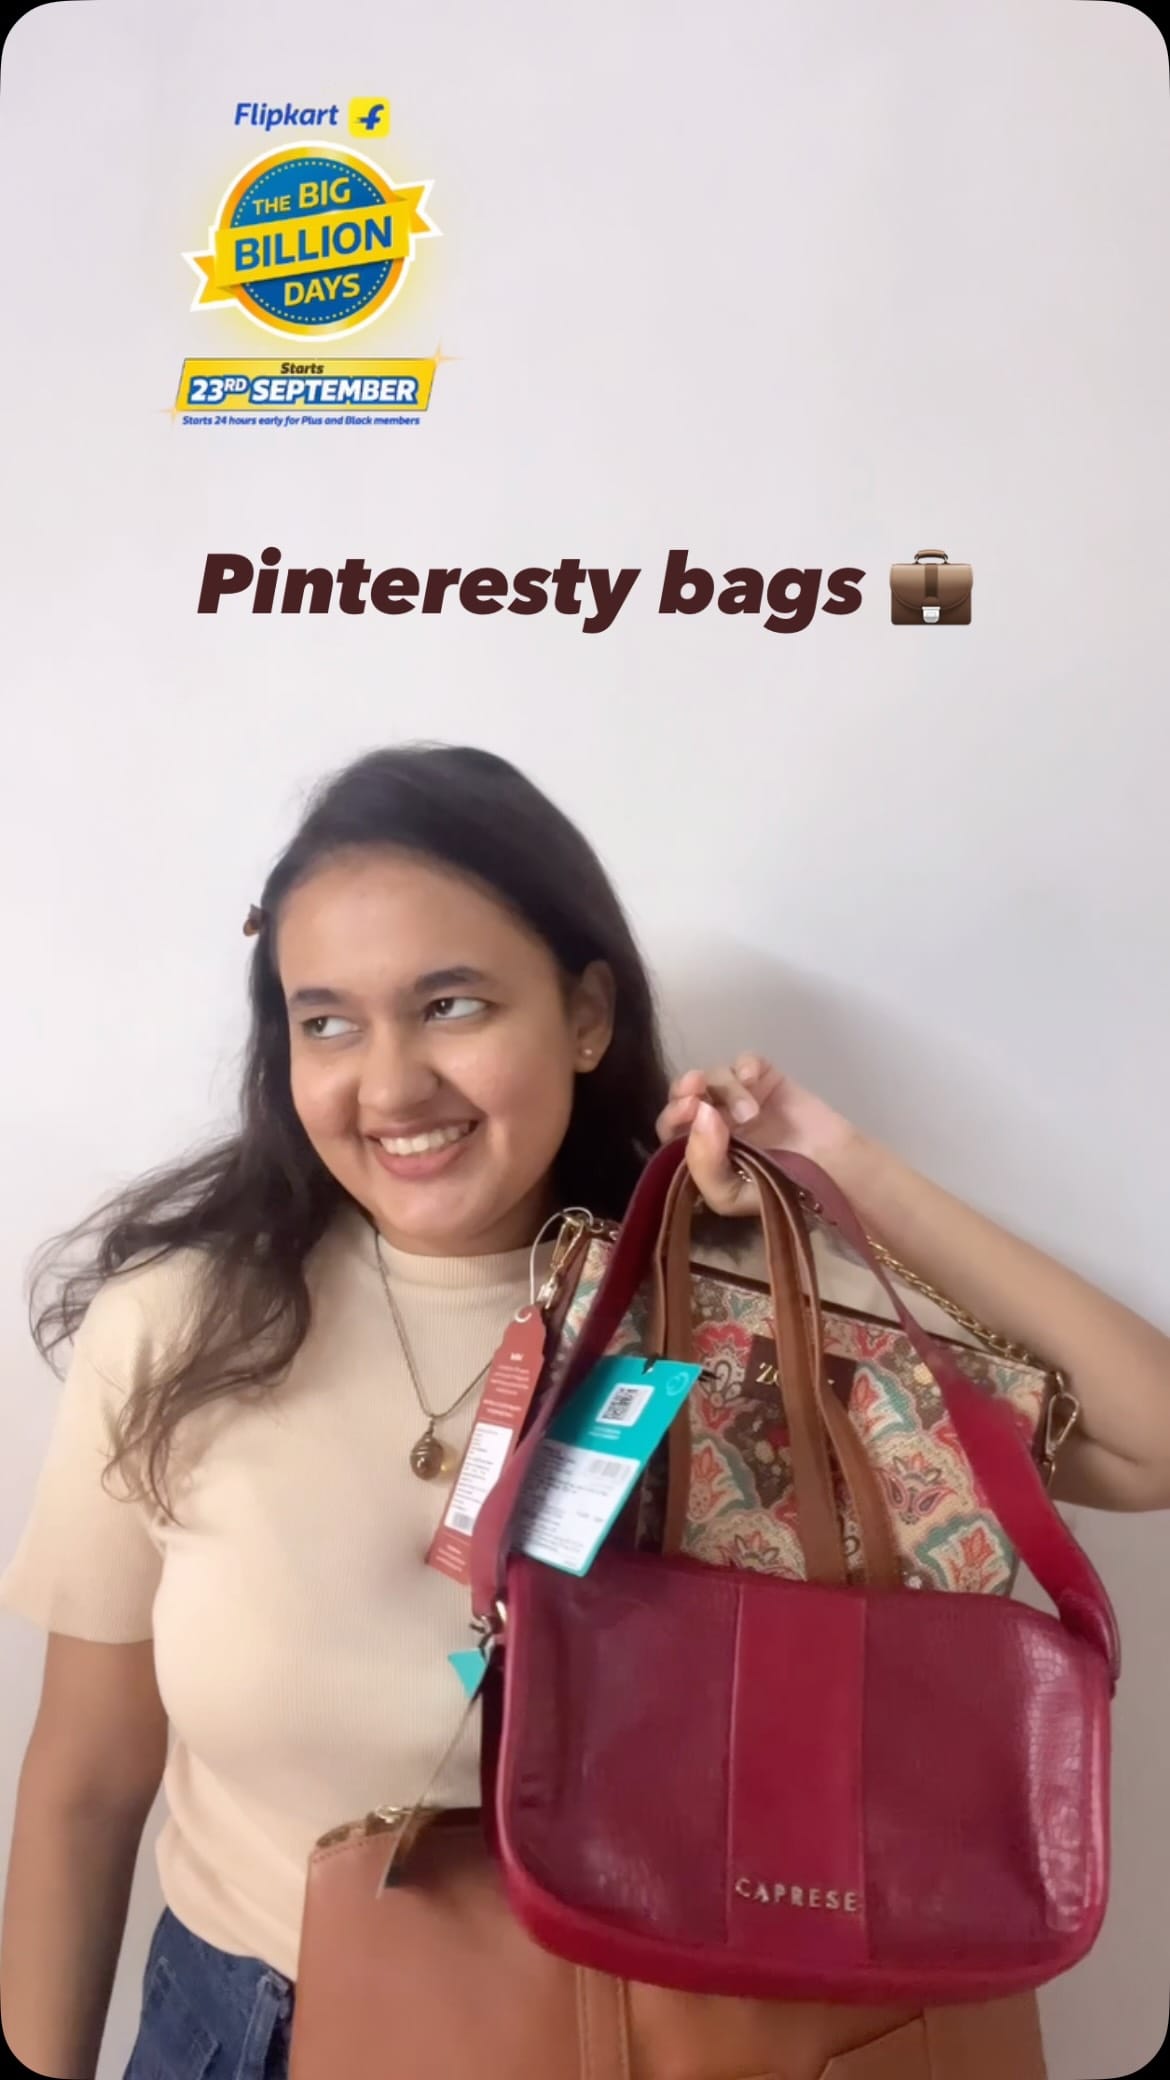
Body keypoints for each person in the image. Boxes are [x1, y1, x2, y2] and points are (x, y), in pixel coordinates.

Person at [1, 742, 1167, 2080]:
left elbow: (1149, 1442)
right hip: (250, 2030)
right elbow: (85, 1784)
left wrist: (841, 1170)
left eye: (450, 1005)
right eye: (326, 1022)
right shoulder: (178, 1328)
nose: (389, 1086)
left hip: (629, 2037)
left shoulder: (744, 1323)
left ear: (587, 1016)